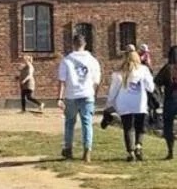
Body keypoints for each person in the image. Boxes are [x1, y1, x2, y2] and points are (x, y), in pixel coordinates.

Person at [57, 33, 101, 162]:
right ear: (85, 44)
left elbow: (62, 81)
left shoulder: (66, 60)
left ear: (73, 44)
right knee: (87, 123)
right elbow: (97, 81)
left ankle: (68, 149)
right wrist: (93, 94)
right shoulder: (92, 60)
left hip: (71, 95)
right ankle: (87, 150)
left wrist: (59, 98)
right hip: (87, 94)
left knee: (69, 123)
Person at [105, 50, 155, 162]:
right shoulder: (143, 70)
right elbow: (151, 88)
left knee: (128, 128)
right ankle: (138, 146)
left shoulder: (119, 73)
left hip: (124, 104)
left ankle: (130, 152)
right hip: (139, 103)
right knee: (140, 126)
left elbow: (113, 91)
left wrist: (109, 104)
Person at [155, 45, 177, 160]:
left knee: (168, 126)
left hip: (170, 99)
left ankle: (170, 151)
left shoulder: (167, 68)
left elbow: (156, 82)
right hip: (171, 99)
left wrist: (160, 94)